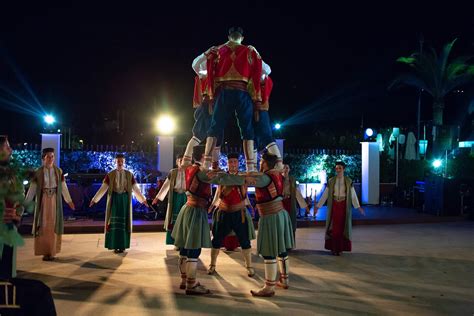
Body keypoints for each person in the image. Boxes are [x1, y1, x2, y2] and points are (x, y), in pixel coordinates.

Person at [171, 146, 254, 295]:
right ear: (203, 157)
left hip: (188, 208)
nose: (208, 161)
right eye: (207, 157)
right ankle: (192, 284)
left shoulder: (190, 168)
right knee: (193, 249)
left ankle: (185, 280)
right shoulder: (202, 172)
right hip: (196, 211)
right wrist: (246, 177)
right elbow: (222, 180)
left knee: (185, 247)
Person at [0, 136, 57, 315]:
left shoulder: (11, 172)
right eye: (7, 147)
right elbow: (30, 191)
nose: (10, 150)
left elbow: (20, 194)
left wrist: (18, 211)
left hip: (10, 226)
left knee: (7, 267)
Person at [198, 26, 263, 171]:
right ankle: (250, 167)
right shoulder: (250, 51)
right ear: (242, 37)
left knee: (215, 127)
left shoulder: (217, 50)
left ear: (229, 37)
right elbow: (260, 71)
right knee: (247, 129)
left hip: (224, 92)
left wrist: (210, 95)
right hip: (242, 93)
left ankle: (206, 163)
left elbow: (207, 70)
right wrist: (256, 98)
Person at [248, 152, 295, 297]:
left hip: (270, 216)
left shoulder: (265, 177)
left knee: (269, 251)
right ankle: (285, 281)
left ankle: (269, 287)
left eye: (261, 161)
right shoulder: (278, 175)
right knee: (281, 249)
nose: (260, 163)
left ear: (265, 163)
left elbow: (247, 180)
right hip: (280, 214)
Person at [207, 153, 256, 277]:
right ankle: (212, 265)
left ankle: (249, 266)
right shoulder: (222, 176)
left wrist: (250, 206)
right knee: (216, 240)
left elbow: (244, 195)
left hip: (240, 213)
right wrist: (213, 205)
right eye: (231, 162)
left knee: (245, 241)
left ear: (238, 163)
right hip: (223, 212)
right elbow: (218, 193)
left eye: (235, 162)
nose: (233, 164)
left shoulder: (244, 176)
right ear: (228, 163)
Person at [89, 153, 149, 254]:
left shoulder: (129, 174)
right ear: (115, 162)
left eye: (122, 161)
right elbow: (103, 188)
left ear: (124, 162)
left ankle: (123, 245)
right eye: (118, 161)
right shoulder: (110, 174)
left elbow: (135, 188)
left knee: (124, 224)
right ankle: (115, 245)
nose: (120, 163)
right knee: (114, 223)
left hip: (125, 200)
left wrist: (143, 199)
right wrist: (94, 199)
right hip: (115, 200)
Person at [25, 148, 75, 261]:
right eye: (48, 157)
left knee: (53, 225)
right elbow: (32, 189)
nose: (51, 159)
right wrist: (26, 203)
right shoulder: (38, 172)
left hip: (54, 201)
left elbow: (63, 187)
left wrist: (69, 200)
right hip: (43, 201)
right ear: (43, 158)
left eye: (52, 156)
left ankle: (52, 251)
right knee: (43, 225)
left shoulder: (58, 171)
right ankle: (44, 251)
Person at [314, 161, 365, 256]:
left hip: (343, 206)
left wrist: (358, 207)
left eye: (340, 168)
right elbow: (325, 194)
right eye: (336, 168)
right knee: (334, 228)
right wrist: (318, 206)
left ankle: (340, 249)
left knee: (342, 228)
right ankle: (333, 248)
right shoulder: (331, 181)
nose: (338, 170)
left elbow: (353, 195)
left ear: (344, 169)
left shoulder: (348, 181)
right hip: (334, 206)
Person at [152, 155, 187, 246]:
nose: (182, 162)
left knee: (185, 219)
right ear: (177, 161)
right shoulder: (173, 172)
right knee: (174, 219)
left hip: (185, 197)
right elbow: (165, 185)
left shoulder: (189, 171)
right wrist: (157, 198)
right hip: (175, 197)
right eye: (180, 160)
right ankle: (175, 241)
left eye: (184, 160)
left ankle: (183, 242)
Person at [282, 164, 309, 241]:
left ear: (289, 169)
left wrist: (305, 206)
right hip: (281, 203)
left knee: (290, 222)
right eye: (284, 168)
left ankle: (290, 243)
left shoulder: (292, 179)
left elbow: (297, 193)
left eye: (287, 168)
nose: (286, 169)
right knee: (282, 223)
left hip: (290, 202)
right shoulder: (279, 179)